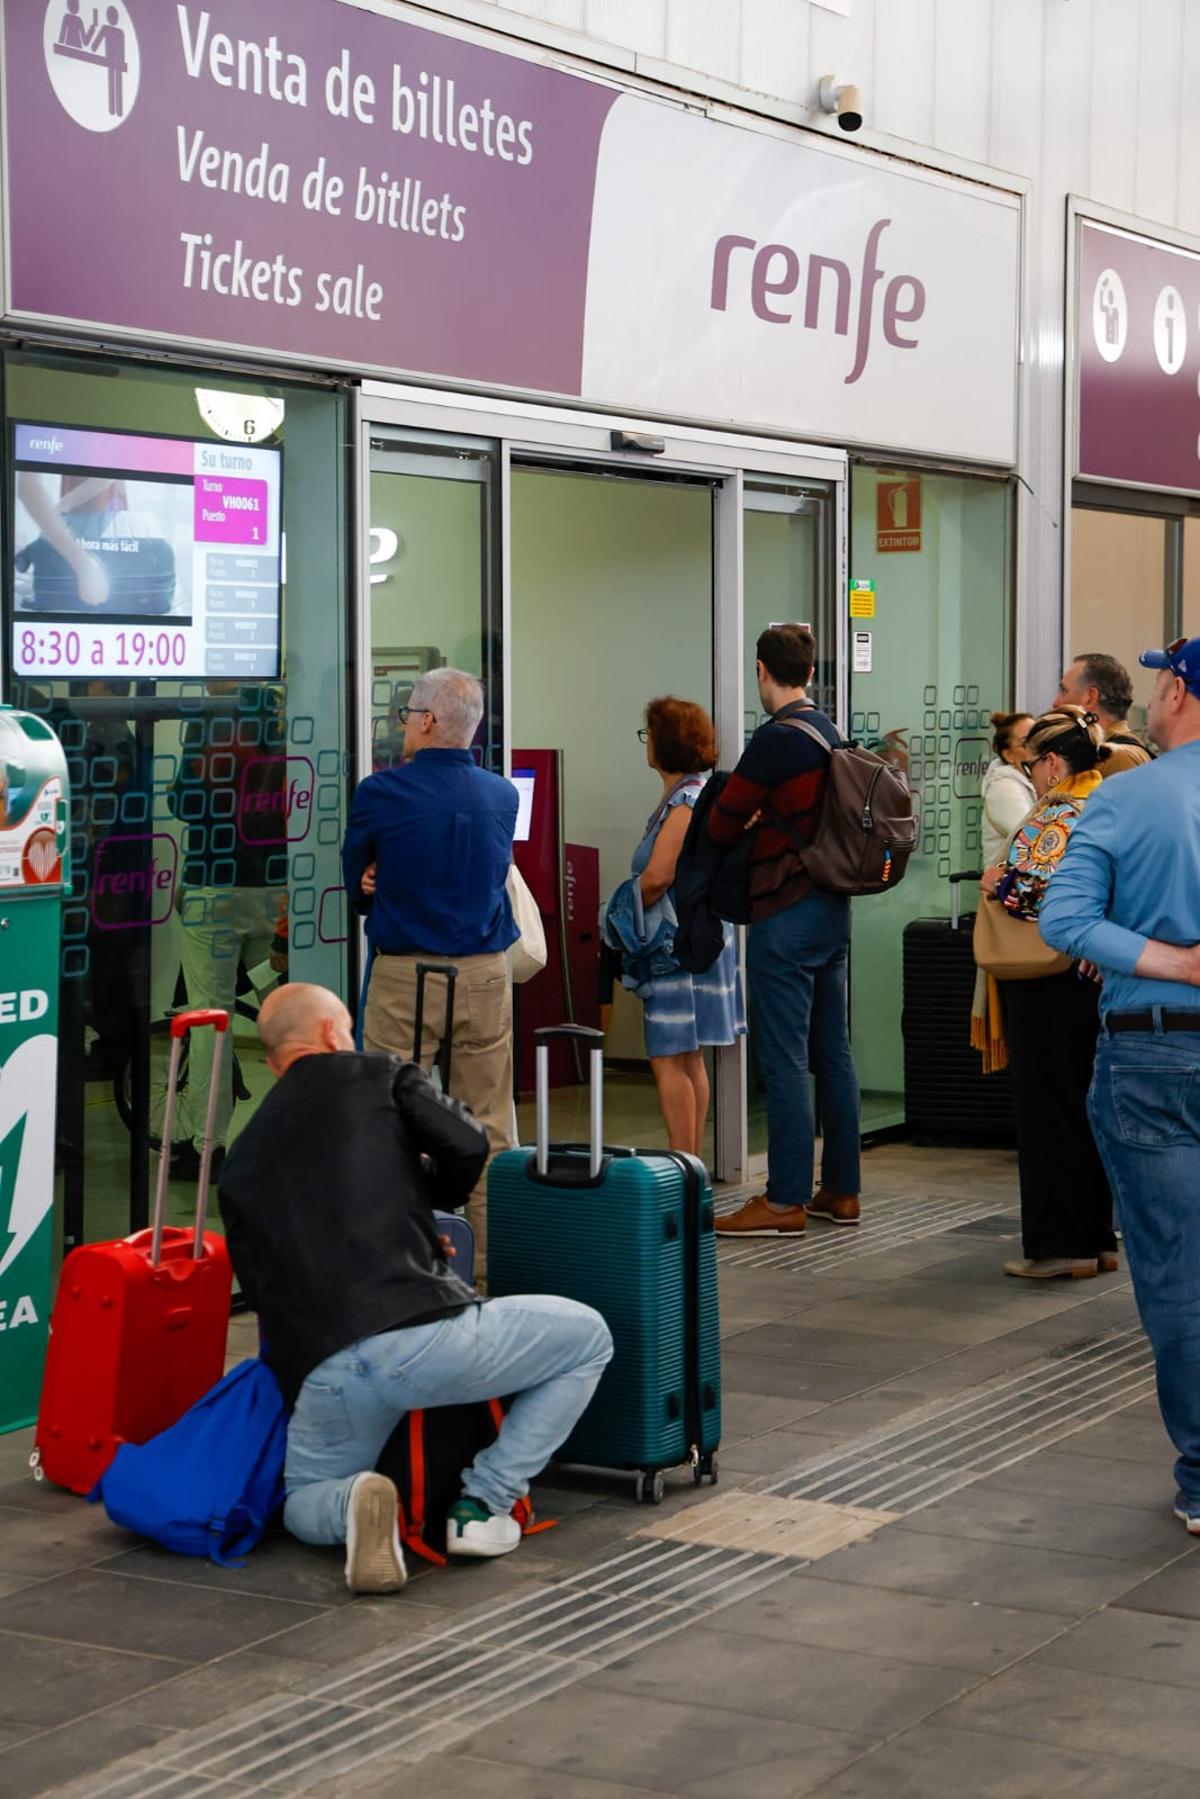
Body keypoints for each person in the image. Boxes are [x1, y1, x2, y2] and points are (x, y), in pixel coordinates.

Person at [218, 983, 613, 1592]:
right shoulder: (377, 1073)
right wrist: (430, 1206)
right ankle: (484, 1506)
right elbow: (469, 1142)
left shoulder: (241, 1157)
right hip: (419, 1337)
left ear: (272, 1062)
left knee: (301, 1501)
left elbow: (263, 1285)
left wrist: (406, 1222)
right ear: (330, 1033)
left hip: (326, 1370)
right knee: (588, 1337)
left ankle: (353, 1503)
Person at [1040, 636, 1200, 1532]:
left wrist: (1165, 961)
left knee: (1180, 1274)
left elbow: (1065, 919)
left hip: (1155, 1053)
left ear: (1175, 690)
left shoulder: (1127, 796)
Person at [342, 667, 517, 1283]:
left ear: (429, 721)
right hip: (486, 977)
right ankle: (492, 1268)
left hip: (406, 980)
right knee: (488, 1124)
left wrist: (372, 884)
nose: (403, 725)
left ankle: (403, 1268)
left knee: (394, 1120)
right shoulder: (502, 795)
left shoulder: (381, 793)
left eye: (406, 714)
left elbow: (356, 872)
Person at [710, 626, 860, 1236]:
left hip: (785, 909)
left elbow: (721, 824)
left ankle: (784, 1198)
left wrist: (744, 818)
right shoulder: (829, 731)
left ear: (760, 670)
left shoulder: (776, 740)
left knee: (786, 1058)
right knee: (834, 1051)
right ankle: (842, 1190)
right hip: (832, 908)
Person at [977, 707, 1117, 1279]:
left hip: (1047, 980)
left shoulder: (1054, 814)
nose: (1030, 774)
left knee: (1047, 1110)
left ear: (1054, 764)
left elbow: (1031, 891)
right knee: (1084, 1109)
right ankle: (1096, 1236)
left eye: (1033, 763)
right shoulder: (1107, 800)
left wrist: (994, 881)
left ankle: (1060, 1246)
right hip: (1090, 977)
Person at [607, 698, 744, 1156]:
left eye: (649, 735)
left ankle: (682, 1163)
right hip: (693, 941)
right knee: (688, 1058)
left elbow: (659, 876)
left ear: (662, 745)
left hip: (674, 948)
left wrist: (615, 913)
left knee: (669, 1058)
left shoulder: (686, 801)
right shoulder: (695, 795)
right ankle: (691, 1163)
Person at [1054, 652, 1152, 775]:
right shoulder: (1104, 754)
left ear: (1090, 697)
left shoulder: (1119, 759)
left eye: (1064, 692)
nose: (1056, 703)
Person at [980, 711, 1035, 865]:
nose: (1037, 748)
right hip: (1010, 885)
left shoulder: (1030, 781)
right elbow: (1032, 839)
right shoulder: (1003, 788)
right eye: (1026, 743)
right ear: (1008, 755)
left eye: (1039, 739)